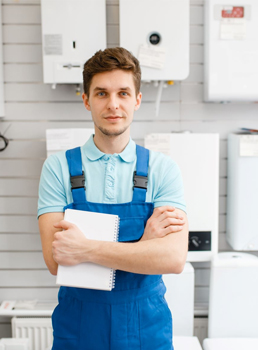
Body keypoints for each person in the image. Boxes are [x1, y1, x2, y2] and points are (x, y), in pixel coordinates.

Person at [38, 47, 189, 350]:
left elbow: (172, 259)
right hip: (79, 328)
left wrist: (85, 249)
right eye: (102, 93)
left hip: (145, 327)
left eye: (123, 93)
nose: (113, 104)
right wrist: (145, 247)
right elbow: (56, 261)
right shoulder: (58, 168)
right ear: (86, 100)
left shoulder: (163, 169)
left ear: (137, 100)